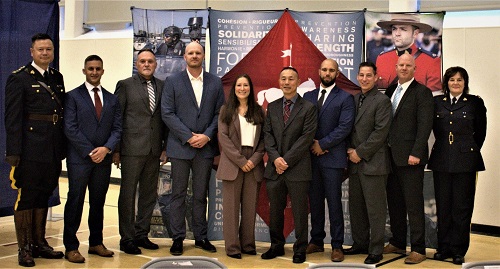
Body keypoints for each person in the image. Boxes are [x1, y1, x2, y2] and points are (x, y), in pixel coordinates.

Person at [4, 33, 66, 267]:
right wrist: (14, 152)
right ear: (32, 52)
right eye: (40, 50)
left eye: (48, 49)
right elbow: (12, 118)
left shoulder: (56, 77)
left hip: (51, 148)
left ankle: (40, 244)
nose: (45, 53)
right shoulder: (19, 78)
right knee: (27, 197)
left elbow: (59, 115)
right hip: (29, 149)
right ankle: (25, 248)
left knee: (44, 194)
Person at [162, 41, 224, 255]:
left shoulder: (215, 83)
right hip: (180, 147)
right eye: (191, 53)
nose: (194, 56)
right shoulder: (172, 81)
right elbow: (167, 113)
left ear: (203, 55)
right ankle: (178, 238)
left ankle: (201, 237)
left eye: (198, 52)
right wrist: (189, 137)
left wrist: (207, 136)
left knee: (200, 195)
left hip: (205, 149)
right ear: (184, 57)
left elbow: (219, 114)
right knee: (178, 194)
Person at [62, 55, 122, 263]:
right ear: (84, 71)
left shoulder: (112, 99)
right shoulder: (72, 97)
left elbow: (117, 129)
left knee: (98, 202)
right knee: (75, 201)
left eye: (98, 69)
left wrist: (106, 149)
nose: (94, 72)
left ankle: (96, 242)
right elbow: (70, 128)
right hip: (80, 159)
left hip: (103, 160)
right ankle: (71, 247)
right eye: (90, 69)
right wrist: (90, 151)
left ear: (103, 71)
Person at [428, 67, 487, 265]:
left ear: (465, 83)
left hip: (466, 162)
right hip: (442, 160)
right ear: (446, 83)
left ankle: (458, 249)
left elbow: (480, 134)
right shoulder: (437, 103)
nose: (455, 83)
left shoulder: (474, 103)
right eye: (452, 80)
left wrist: (466, 150)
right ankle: (443, 247)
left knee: (461, 208)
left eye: (459, 80)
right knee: (443, 207)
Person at [114, 48, 168, 255]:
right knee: (127, 195)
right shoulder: (125, 85)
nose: (146, 64)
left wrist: (164, 148)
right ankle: (126, 238)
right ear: (137, 64)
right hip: (131, 150)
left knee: (148, 194)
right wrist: (116, 150)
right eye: (142, 61)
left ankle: (141, 234)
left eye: (150, 62)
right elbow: (117, 118)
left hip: (154, 150)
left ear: (156, 65)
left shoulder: (162, 86)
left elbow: (164, 119)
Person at [261, 67, 317, 264]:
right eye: (283, 78)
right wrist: (276, 158)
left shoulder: (308, 108)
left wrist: (286, 161)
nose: (287, 82)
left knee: (300, 212)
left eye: (291, 79)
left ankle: (300, 248)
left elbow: (306, 138)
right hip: (275, 169)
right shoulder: (273, 106)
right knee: (275, 210)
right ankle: (276, 246)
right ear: (279, 81)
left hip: (298, 169)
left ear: (298, 81)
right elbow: (267, 135)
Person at [302, 59, 355, 262]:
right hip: (311, 159)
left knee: (334, 203)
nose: (327, 73)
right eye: (324, 69)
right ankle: (316, 240)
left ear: (337, 74)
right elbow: (303, 125)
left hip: (332, 159)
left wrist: (322, 145)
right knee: (314, 202)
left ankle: (337, 245)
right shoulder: (308, 96)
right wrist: (311, 145)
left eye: (331, 70)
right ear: (319, 71)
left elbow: (344, 128)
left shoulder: (345, 98)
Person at [383, 53, 434, 264]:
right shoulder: (390, 90)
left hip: (411, 158)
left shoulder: (422, 92)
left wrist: (416, 152)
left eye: (408, 65)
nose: (404, 68)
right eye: (401, 65)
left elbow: (425, 126)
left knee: (413, 204)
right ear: (395, 67)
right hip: (390, 158)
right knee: (394, 203)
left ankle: (419, 248)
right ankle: (397, 241)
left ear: (415, 68)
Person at [344, 62, 392, 264]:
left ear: (375, 77)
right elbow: (347, 127)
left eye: (368, 75)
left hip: (373, 163)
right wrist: (349, 151)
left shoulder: (382, 101)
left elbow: (380, 133)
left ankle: (375, 249)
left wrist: (360, 153)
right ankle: (360, 243)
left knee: (375, 209)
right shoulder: (354, 99)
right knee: (357, 208)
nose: (364, 79)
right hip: (354, 164)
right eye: (361, 75)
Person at [216, 74, 265, 259]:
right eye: (239, 85)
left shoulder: (259, 111)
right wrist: (241, 161)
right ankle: (233, 247)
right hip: (232, 162)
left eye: (245, 85)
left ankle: (248, 245)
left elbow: (263, 141)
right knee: (230, 209)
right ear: (234, 88)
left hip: (254, 161)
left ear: (250, 88)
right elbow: (224, 138)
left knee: (250, 208)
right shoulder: (225, 111)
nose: (242, 88)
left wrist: (254, 159)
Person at [376, 14, 441, 91]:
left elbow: (433, 98)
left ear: (415, 33)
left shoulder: (431, 61)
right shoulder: (382, 59)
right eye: (394, 29)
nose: (397, 33)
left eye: (403, 29)